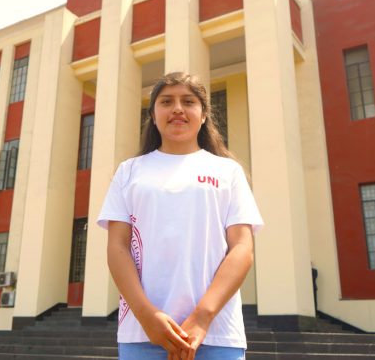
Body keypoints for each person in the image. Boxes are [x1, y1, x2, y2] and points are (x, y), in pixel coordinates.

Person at [97, 72, 263, 360]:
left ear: (203, 115)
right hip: (142, 334)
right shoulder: (129, 172)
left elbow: (242, 248)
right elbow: (117, 247)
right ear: (152, 114)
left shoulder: (227, 172)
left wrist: (202, 317)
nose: (177, 109)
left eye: (188, 101)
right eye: (166, 101)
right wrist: (147, 317)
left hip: (217, 332)